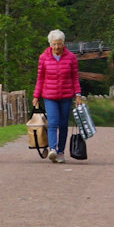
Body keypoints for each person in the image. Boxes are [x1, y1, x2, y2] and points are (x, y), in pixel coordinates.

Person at [32, 29, 84, 163]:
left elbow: (75, 78)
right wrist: (36, 95)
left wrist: (78, 94)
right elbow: (40, 78)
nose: (57, 47)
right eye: (54, 44)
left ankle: (61, 152)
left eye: (59, 44)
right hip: (49, 96)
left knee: (63, 125)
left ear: (63, 43)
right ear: (50, 44)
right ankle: (53, 149)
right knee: (53, 122)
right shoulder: (43, 58)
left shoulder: (71, 58)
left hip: (66, 96)